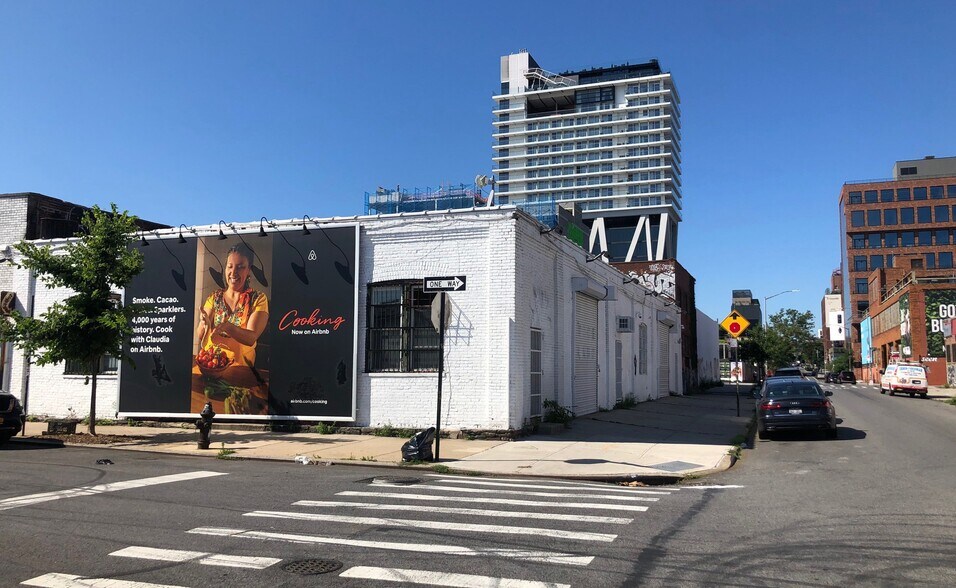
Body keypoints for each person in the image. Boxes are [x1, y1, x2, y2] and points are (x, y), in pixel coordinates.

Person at [195, 243, 269, 368]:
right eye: (230, 267)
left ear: (248, 269)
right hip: (212, 363)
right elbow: (201, 335)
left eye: (240, 267)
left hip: (241, 368)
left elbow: (251, 338)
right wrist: (204, 324)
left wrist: (229, 328)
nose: (233, 272)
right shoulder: (214, 297)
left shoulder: (258, 299)